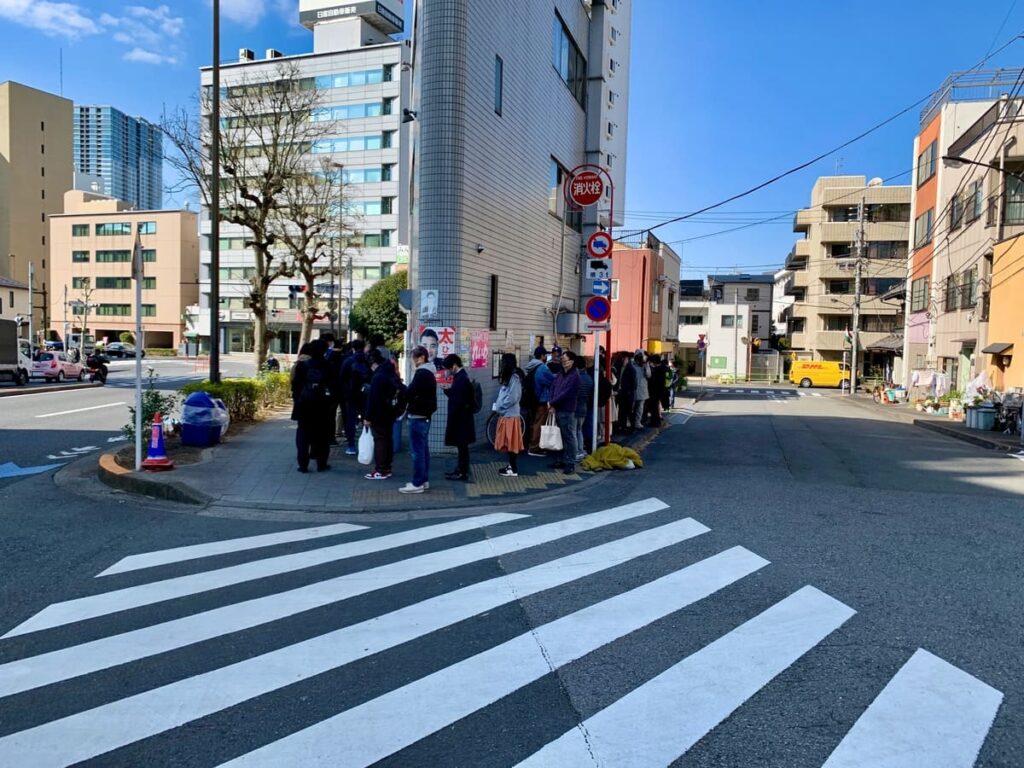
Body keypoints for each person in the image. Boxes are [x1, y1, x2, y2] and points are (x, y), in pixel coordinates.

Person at [290, 340, 332, 474]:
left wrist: (297, 400)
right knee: (322, 434)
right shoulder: (328, 366)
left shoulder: (302, 366)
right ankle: (321, 463)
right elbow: (334, 386)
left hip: (304, 404)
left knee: (303, 434)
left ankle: (303, 464)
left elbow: (295, 387)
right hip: (322, 405)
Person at [400, 345, 437, 494]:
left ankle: (418, 482)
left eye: (414, 358)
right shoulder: (430, 372)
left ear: (421, 357)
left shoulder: (422, 373)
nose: (413, 361)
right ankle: (423, 480)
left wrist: (404, 390)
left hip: (418, 415)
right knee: (423, 450)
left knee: (417, 451)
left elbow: (410, 392)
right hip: (425, 415)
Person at [363, 348, 403, 480]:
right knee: (388, 439)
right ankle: (387, 467)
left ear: (373, 363)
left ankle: (380, 469)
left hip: (379, 413)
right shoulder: (391, 373)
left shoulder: (378, 376)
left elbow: (372, 399)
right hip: (390, 412)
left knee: (380, 440)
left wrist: (367, 417)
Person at [442, 354, 474, 481]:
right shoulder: (461, 377)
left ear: (454, 366)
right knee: (462, 447)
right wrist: (448, 391)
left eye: (449, 368)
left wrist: (450, 392)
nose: (448, 371)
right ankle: (461, 470)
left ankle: (462, 472)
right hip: (463, 418)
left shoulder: (461, 379)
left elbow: (459, 400)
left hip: (461, 419)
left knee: (462, 447)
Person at [493, 352, 525, 477]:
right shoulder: (512, 377)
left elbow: (513, 397)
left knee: (511, 442)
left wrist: (501, 405)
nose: (502, 364)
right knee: (509, 442)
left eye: (503, 362)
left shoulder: (514, 378)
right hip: (508, 414)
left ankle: (513, 468)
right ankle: (511, 466)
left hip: (510, 415)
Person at [549, 350, 581, 474]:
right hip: (557, 408)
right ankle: (562, 460)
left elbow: (566, 393)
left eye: (565, 361)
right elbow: (553, 387)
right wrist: (551, 402)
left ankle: (571, 462)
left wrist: (552, 403)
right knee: (561, 436)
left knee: (569, 436)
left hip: (567, 410)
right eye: (562, 361)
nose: (563, 363)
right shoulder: (561, 374)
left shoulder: (575, 377)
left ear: (572, 362)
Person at [339, 339, 370, 455]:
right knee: (366, 417)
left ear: (352, 348)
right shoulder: (368, 360)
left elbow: (341, 378)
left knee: (350, 419)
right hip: (365, 394)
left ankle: (351, 445)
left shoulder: (348, 361)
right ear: (363, 347)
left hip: (350, 394)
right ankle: (368, 440)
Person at [528, 350, 556, 456]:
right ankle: (534, 447)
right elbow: (551, 380)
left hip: (533, 398)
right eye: (546, 355)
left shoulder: (531, 366)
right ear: (542, 356)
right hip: (541, 399)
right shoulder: (542, 368)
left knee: (534, 422)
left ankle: (533, 444)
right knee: (539, 423)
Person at [576, 356, 594, 459]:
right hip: (584, 406)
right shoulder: (589, 378)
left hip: (575, 408)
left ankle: (577, 451)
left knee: (574, 431)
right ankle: (581, 450)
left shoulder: (576, 379)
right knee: (579, 430)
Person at [616, 351, 637, 434]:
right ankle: (622, 426)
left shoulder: (631, 369)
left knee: (629, 410)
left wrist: (629, 391)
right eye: (622, 359)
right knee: (621, 410)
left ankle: (632, 427)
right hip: (621, 392)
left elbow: (634, 383)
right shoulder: (620, 367)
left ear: (628, 359)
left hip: (628, 393)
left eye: (624, 359)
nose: (623, 360)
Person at [632, 351, 650, 429]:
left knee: (640, 408)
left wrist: (646, 366)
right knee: (632, 407)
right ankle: (631, 422)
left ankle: (637, 422)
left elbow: (649, 375)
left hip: (642, 389)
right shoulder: (632, 364)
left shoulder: (645, 365)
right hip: (633, 389)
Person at [647, 354, 665, 428]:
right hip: (659, 391)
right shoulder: (662, 368)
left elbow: (653, 381)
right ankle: (655, 422)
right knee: (655, 407)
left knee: (654, 408)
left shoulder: (657, 370)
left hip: (655, 391)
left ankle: (655, 422)